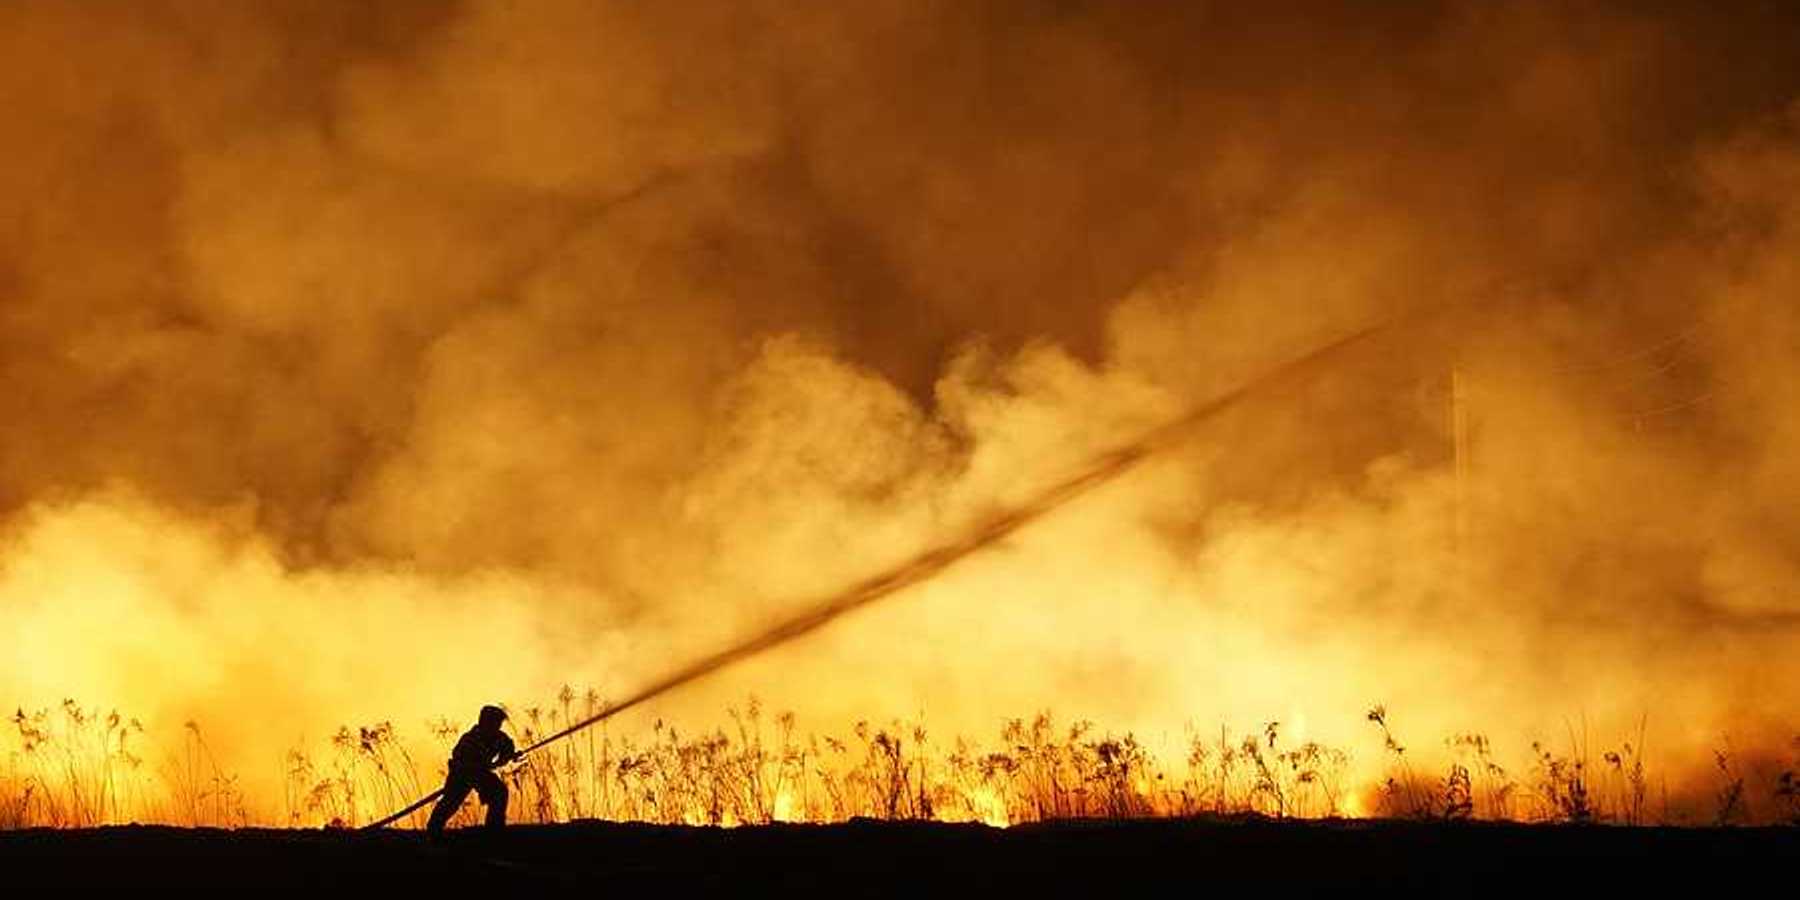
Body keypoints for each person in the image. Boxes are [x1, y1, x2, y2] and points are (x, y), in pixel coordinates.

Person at [426, 704, 518, 836]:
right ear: (484, 722)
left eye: (499, 723)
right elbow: (457, 757)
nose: (497, 726)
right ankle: (433, 829)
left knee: (499, 792)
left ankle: (494, 829)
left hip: (481, 773)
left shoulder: (499, 737)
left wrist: (508, 756)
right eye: (495, 722)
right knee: (451, 801)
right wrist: (473, 767)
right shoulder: (470, 739)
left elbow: (507, 749)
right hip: (461, 774)